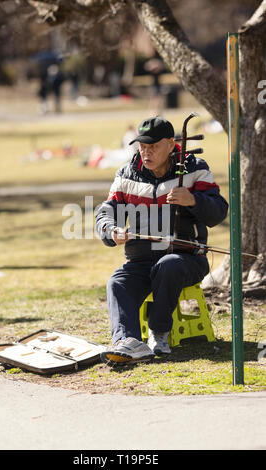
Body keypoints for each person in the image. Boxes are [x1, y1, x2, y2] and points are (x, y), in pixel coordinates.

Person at [95, 116, 228, 366]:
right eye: (142, 147)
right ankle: (128, 342)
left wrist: (193, 200)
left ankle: (159, 332)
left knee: (168, 265)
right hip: (142, 260)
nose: (146, 153)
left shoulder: (195, 169)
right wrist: (110, 230)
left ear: (170, 144)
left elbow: (219, 211)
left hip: (186, 259)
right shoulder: (126, 174)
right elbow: (106, 211)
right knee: (117, 282)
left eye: (153, 146)